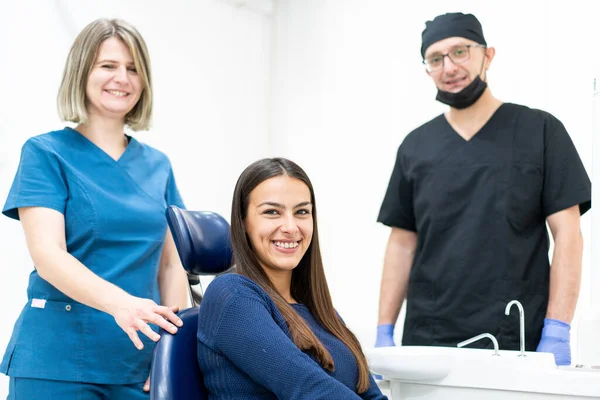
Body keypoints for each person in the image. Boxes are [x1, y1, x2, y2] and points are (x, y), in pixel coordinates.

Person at [375, 12, 591, 366]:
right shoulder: (415, 147)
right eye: (435, 59)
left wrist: (557, 329)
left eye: (460, 51)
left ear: (487, 55)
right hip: (429, 339)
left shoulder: (540, 131)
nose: (448, 67)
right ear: (427, 69)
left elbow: (567, 233)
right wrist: (384, 330)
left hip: (515, 335)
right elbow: (401, 243)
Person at [1, 18, 188, 399]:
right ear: (82, 71)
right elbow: (49, 255)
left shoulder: (158, 166)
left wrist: (170, 346)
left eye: (134, 69)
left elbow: (172, 263)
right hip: (57, 361)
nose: (122, 78)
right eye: (108, 66)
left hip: (137, 364)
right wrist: (124, 305)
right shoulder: (45, 153)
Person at [196, 158, 387, 399]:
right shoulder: (231, 296)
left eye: (302, 212)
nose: (290, 226)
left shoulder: (322, 312)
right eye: (272, 212)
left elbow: (371, 394)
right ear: (244, 222)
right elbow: (308, 388)